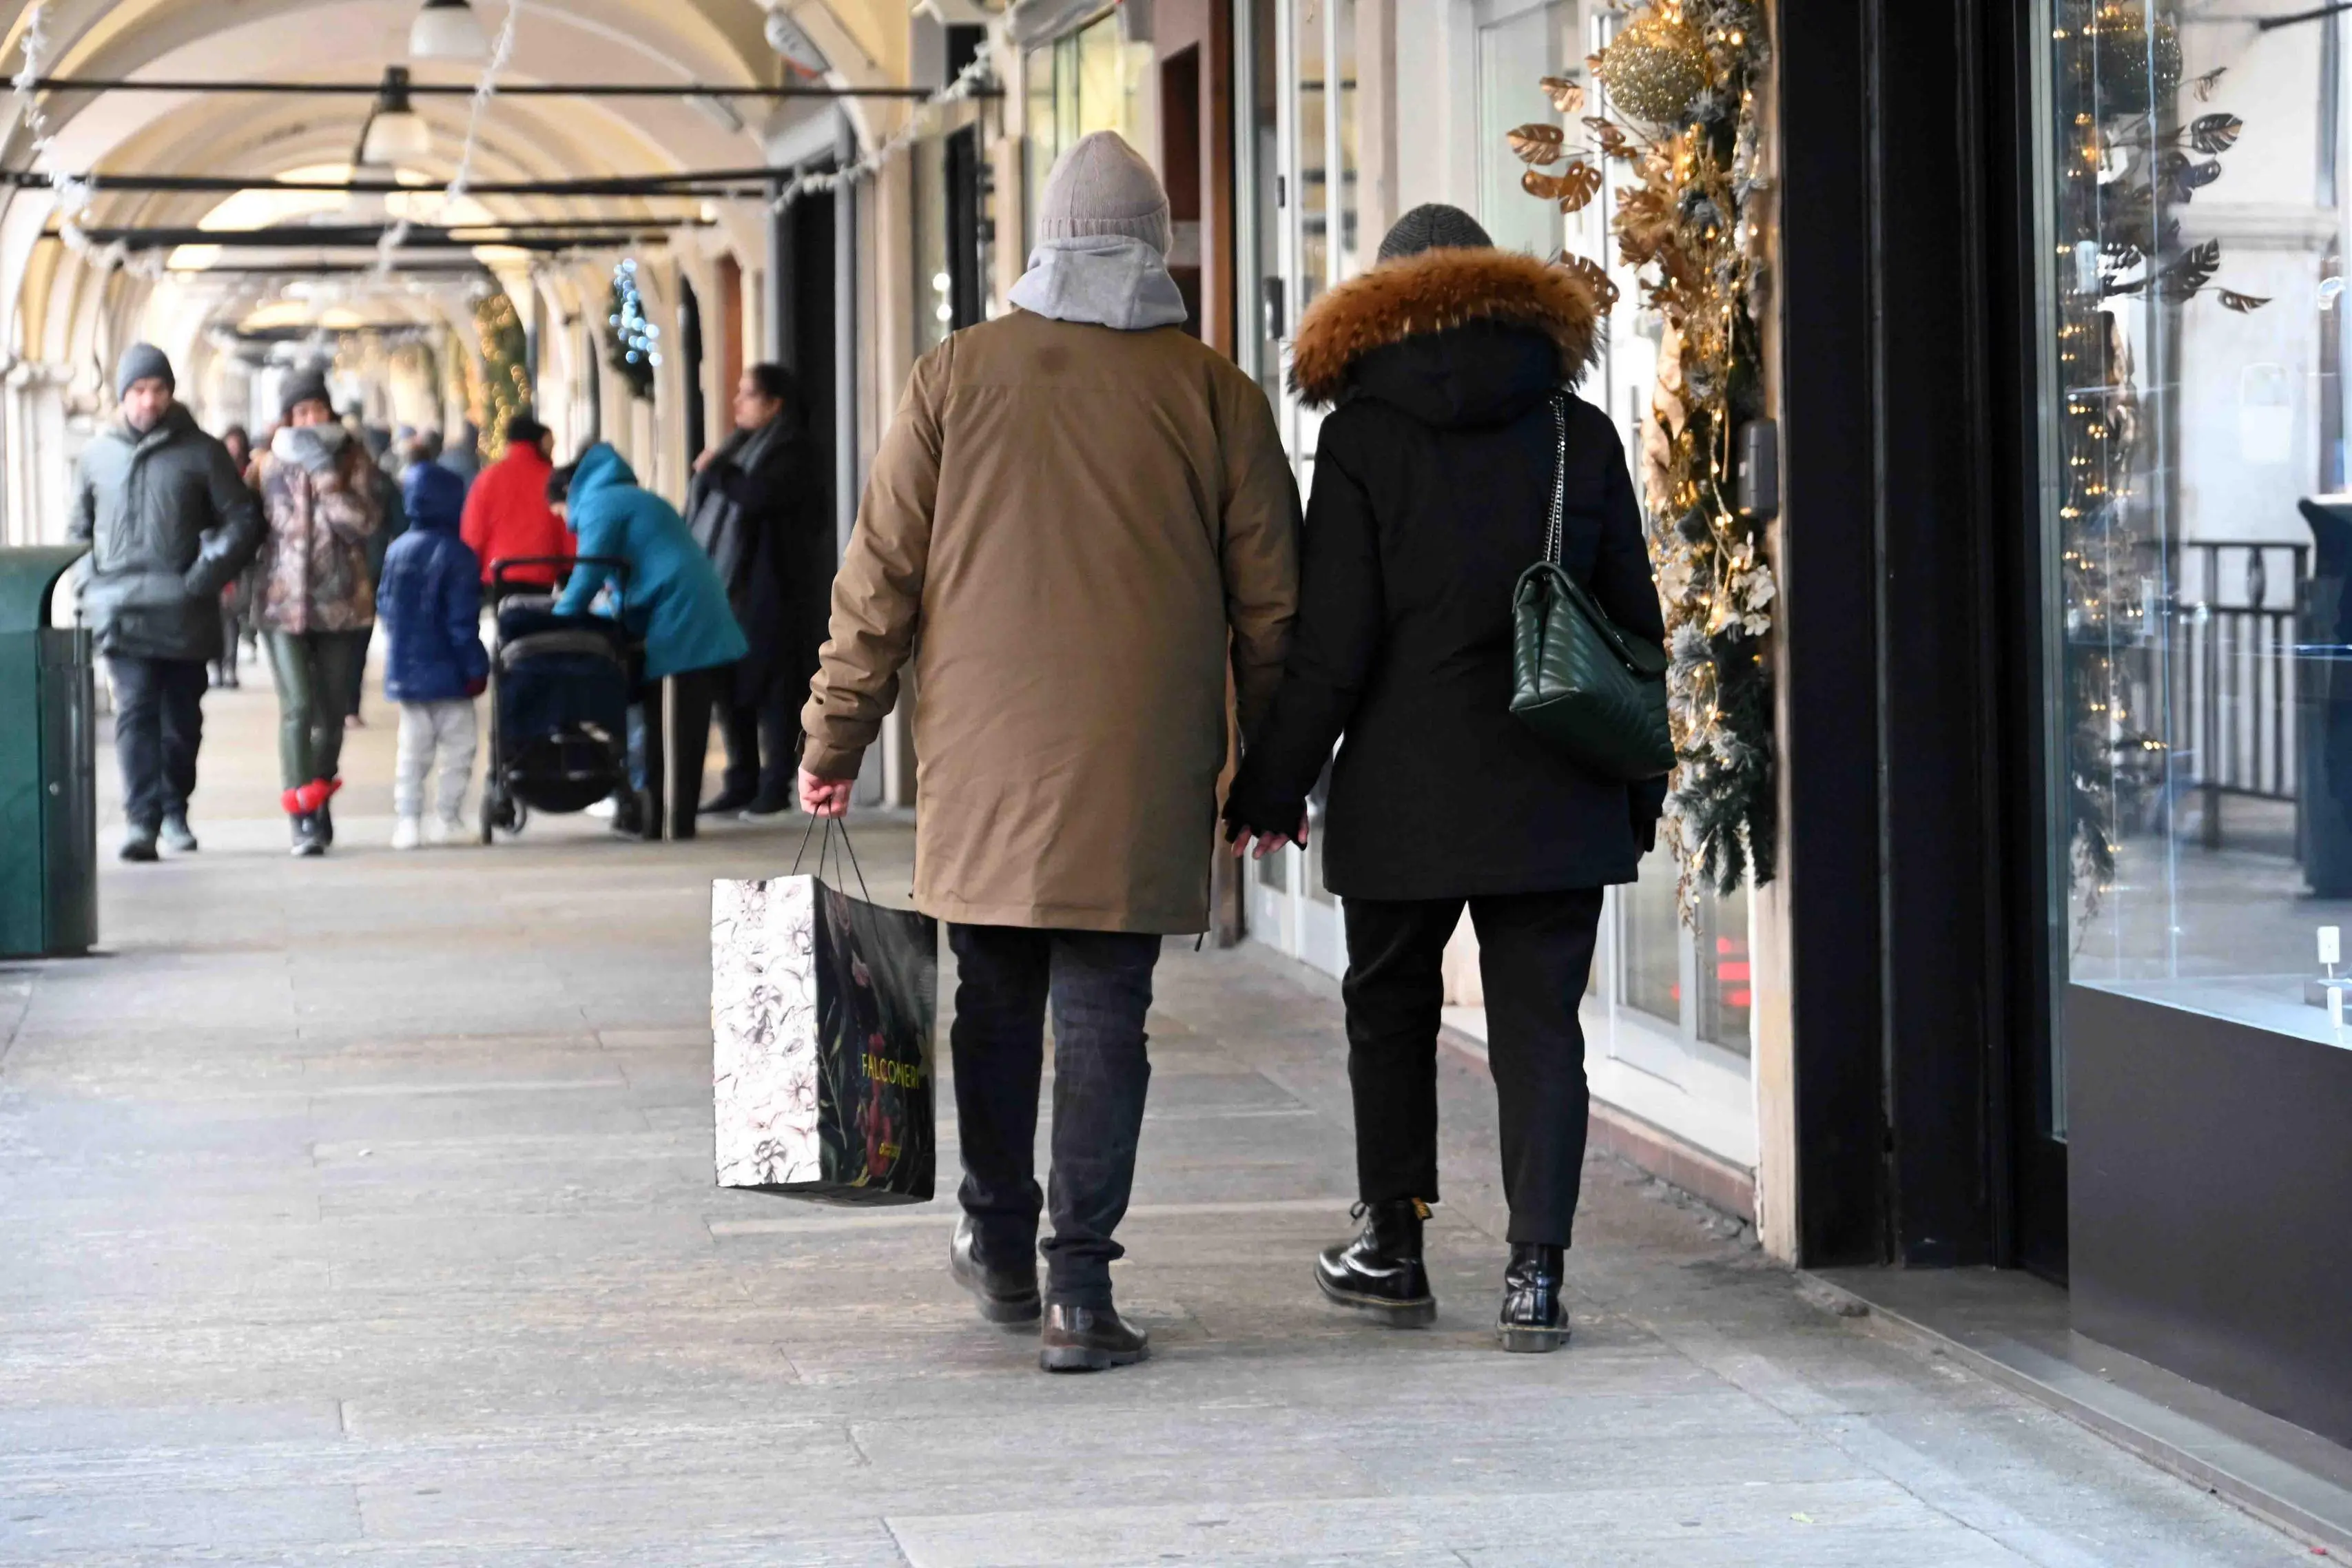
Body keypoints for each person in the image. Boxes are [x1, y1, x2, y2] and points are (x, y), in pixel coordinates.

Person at [798, 131, 1299, 1373]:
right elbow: (1273, 607)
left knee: (994, 996)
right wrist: (1269, 771)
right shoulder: (1214, 394)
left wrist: (834, 736)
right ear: (1157, 244)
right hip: (1138, 765)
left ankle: (998, 1243)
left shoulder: (952, 376)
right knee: (1104, 1012)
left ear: (1041, 244)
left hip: (981, 765)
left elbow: (878, 583)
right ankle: (1079, 1290)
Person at [1222, 205, 1668, 1355]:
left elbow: (1331, 647)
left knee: (1387, 1010)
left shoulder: (1364, 439)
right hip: (1555, 778)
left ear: (1381, 308)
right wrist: (1635, 785)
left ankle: (1393, 1243)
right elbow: (1631, 629)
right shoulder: (1576, 432)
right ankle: (1533, 1273)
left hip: (1401, 787)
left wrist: (1270, 788)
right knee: (1538, 1027)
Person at [68, 344, 264, 862]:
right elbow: (77, 531)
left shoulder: (203, 452)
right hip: (119, 611)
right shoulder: (95, 457)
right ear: (121, 396)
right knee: (134, 711)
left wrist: (203, 576)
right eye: (137, 391)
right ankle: (141, 821)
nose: (147, 400)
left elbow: (242, 519)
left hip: (183, 611)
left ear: (170, 393)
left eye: (156, 389)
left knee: (181, 721)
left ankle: (175, 806)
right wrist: (90, 584)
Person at [553, 444, 747, 840]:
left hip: (682, 619)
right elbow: (627, 579)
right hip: (686, 611)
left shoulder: (600, 505)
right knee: (674, 723)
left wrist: (553, 620)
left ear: (568, 493)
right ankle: (660, 816)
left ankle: (670, 822)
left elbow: (591, 572)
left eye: (558, 511)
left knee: (675, 726)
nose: (562, 520)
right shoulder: (628, 498)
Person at [687, 363, 832, 818]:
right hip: (733, 588)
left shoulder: (791, 449)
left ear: (774, 405)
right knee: (730, 687)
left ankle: (775, 784)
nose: (737, 402)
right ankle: (741, 778)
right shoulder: (741, 447)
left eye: (747, 394)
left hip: (775, 589)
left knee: (775, 691)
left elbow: (760, 497)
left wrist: (718, 474)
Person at [253, 366, 383, 856]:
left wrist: (328, 482)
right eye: (301, 412)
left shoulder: (353, 460)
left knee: (330, 715)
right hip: (281, 603)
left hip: (340, 604)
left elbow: (365, 524)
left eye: (318, 410)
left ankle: (320, 795)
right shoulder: (265, 465)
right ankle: (299, 814)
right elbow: (247, 524)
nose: (309, 420)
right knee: (298, 707)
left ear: (330, 412)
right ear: (287, 416)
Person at [378, 462, 488, 850]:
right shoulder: (458, 556)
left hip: (407, 672)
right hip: (451, 675)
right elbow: (462, 623)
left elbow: (386, 608)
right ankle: (448, 817)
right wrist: (476, 666)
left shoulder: (397, 550)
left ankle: (407, 822)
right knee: (458, 749)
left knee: (412, 752)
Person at [461, 414, 567, 601]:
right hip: (544, 572)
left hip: (500, 573)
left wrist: (470, 573)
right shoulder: (553, 479)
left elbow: (474, 533)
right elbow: (568, 528)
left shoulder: (488, 478)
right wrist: (568, 570)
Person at [213, 423, 256, 690]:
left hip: (239, 558)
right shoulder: (212, 472)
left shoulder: (249, 474)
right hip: (215, 555)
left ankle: (229, 665)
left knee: (232, 614)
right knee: (219, 617)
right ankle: (219, 667)